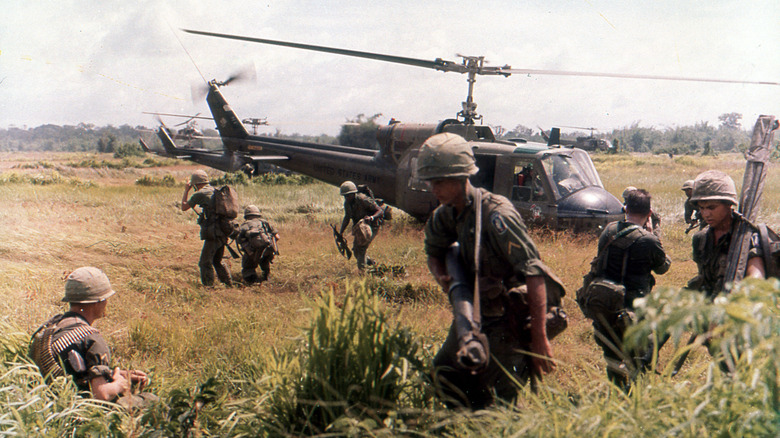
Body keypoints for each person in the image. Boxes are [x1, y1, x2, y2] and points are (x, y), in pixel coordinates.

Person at [419, 132, 564, 409]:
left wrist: (539, 338)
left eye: (439, 181)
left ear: (461, 177)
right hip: (473, 314)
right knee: (443, 375)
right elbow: (434, 252)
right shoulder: (446, 213)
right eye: (430, 181)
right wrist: (447, 281)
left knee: (499, 402)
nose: (432, 188)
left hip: (508, 317)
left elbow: (534, 272)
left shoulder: (497, 215)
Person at [29, 267, 157, 408]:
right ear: (98, 301)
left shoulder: (51, 325)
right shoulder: (91, 338)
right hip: (78, 407)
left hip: (47, 399)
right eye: (106, 298)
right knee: (151, 400)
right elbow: (101, 395)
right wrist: (120, 384)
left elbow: (72, 369)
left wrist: (118, 373)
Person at [584, 189, 671, 388]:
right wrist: (653, 234)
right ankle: (635, 395)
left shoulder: (609, 230)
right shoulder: (649, 240)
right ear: (649, 213)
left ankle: (617, 388)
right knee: (639, 353)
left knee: (611, 349)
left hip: (605, 299)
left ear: (625, 208)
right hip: (634, 305)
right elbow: (663, 267)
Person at [688, 170, 765, 298]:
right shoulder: (700, 238)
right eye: (702, 208)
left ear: (729, 204)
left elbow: (756, 278)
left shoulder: (747, 237)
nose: (706, 214)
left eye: (712, 207)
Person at [181, 170, 233, 287]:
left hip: (213, 232)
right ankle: (229, 285)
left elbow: (184, 207)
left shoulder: (200, 194)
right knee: (217, 261)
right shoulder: (216, 191)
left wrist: (186, 190)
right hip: (224, 230)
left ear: (195, 184)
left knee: (204, 262)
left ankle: (208, 287)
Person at [338, 181, 383, 270]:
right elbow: (347, 217)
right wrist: (341, 232)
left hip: (372, 226)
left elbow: (380, 210)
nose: (346, 198)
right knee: (356, 251)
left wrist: (371, 217)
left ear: (353, 193)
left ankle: (362, 275)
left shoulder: (363, 199)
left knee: (361, 249)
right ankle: (371, 263)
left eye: (348, 195)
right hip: (360, 228)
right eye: (345, 196)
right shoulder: (347, 203)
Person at [236, 205, 280, 284]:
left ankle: (252, 282)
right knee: (265, 263)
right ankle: (266, 278)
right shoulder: (265, 223)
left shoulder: (245, 225)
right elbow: (277, 237)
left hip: (253, 252)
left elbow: (239, 240)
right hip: (268, 249)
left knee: (248, 267)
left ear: (246, 215)